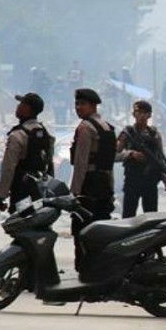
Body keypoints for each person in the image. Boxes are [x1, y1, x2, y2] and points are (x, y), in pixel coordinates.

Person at [69, 88, 116, 271]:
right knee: (101, 228)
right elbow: (108, 163)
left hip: (88, 186)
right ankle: (100, 268)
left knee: (82, 229)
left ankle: (84, 268)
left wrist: (75, 194)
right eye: (76, 104)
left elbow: (81, 163)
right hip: (104, 186)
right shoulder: (107, 127)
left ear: (92, 106)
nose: (78, 108)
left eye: (82, 104)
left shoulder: (85, 128)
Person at [0, 93, 54, 213]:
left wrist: (1, 195)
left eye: (21, 104)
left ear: (27, 108)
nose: (17, 106)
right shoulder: (45, 133)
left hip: (21, 191)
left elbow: (8, 167)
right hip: (40, 190)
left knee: (20, 222)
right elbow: (49, 163)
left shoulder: (17, 135)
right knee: (37, 221)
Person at [117, 100, 166, 218]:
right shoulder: (127, 132)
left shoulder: (154, 134)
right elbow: (114, 154)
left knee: (151, 216)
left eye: (145, 113)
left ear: (149, 115)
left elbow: (159, 158)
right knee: (128, 216)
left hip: (150, 180)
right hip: (132, 179)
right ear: (134, 114)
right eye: (139, 112)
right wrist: (130, 154)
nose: (142, 115)